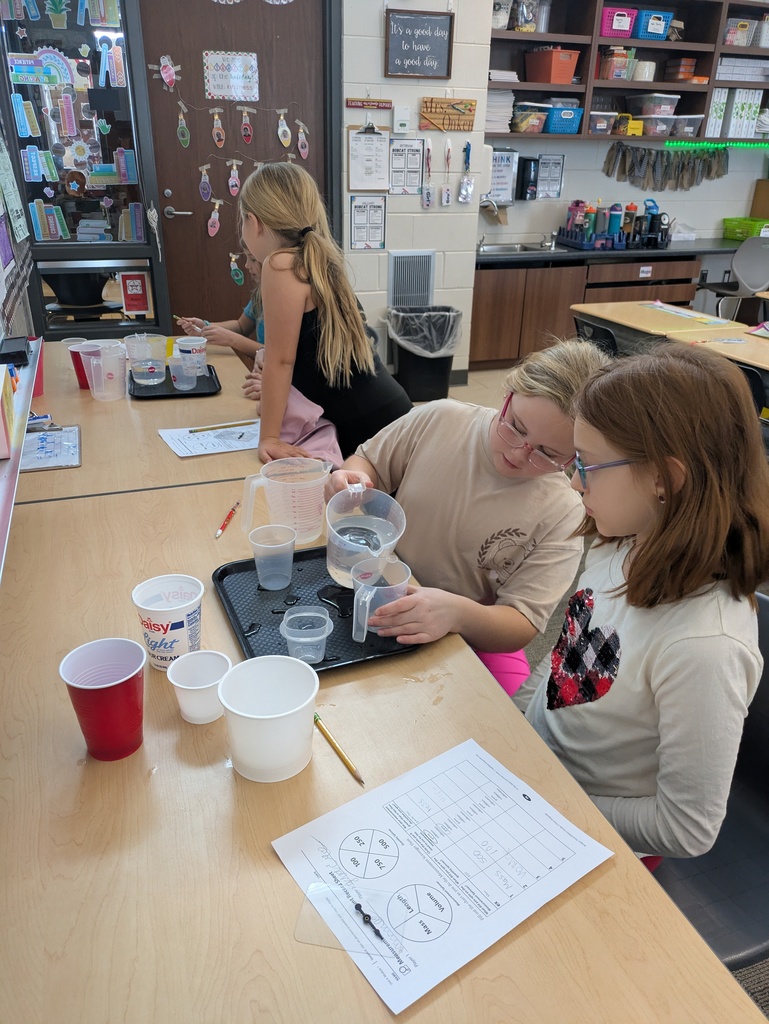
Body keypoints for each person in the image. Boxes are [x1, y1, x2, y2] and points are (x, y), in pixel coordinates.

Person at [513, 345, 769, 860]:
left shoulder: (704, 647)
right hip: (537, 781)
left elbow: (685, 830)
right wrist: (514, 730)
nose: (571, 479)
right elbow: (562, 662)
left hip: (596, 833)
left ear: (664, 480)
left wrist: (544, 800)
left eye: (586, 464)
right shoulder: (620, 540)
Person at [326, 340, 611, 695]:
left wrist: (456, 614)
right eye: (516, 427)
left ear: (575, 458)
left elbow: (521, 620)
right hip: (380, 586)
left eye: (548, 453)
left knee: (509, 728)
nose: (519, 454)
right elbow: (368, 462)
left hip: (469, 629)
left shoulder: (564, 511)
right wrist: (351, 479)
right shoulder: (440, 419)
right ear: (507, 394)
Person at [238, 161, 412, 461]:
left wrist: (269, 438)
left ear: (254, 222)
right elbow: (310, 360)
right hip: (386, 410)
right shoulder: (314, 260)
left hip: (370, 426)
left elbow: (282, 361)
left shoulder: (279, 264)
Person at [176, 249, 264, 370]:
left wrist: (232, 339)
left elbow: (274, 354)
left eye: (253, 259)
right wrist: (205, 327)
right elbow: (241, 326)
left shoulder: (286, 302)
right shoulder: (260, 295)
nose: (246, 265)